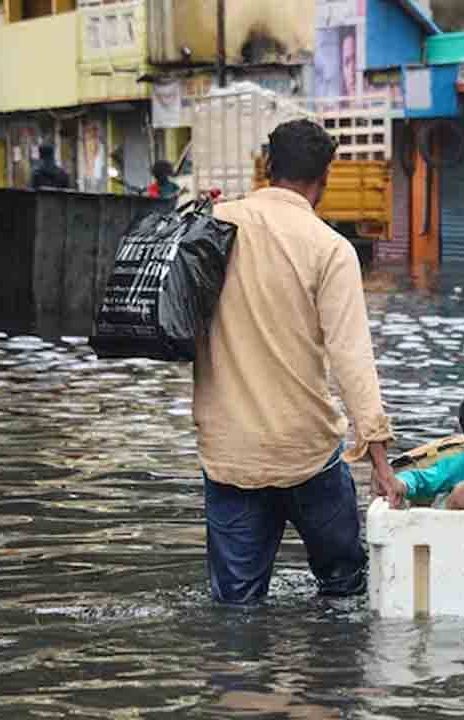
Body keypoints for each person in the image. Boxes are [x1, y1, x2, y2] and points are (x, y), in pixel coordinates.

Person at [195, 119, 397, 604]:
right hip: (306, 452)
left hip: (230, 453)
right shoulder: (329, 248)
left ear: (266, 168)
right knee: (345, 591)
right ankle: (334, 678)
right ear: (323, 179)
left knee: (235, 609)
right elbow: (352, 360)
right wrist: (380, 459)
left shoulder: (213, 227)